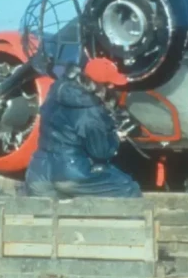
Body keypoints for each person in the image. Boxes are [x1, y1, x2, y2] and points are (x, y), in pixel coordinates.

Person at [24, 57, 142, 199]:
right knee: (129, 188)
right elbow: (101, 153)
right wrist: (115, 137)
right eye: (110, 85)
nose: (112, 88)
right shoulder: (91, 111)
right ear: (100, 85)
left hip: (38, 173)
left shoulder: (55, 92)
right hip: (70, 174)